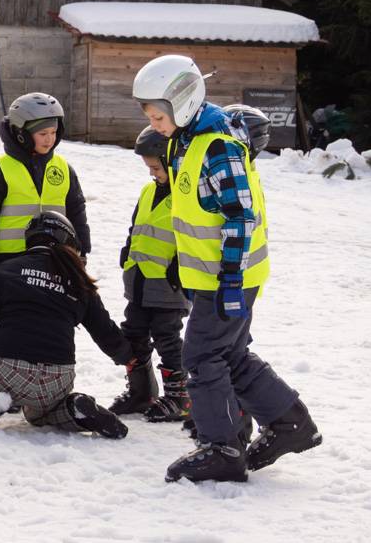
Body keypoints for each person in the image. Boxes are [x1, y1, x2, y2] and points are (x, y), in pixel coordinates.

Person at [132, 54, 322, 482]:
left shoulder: (216, 145)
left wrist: (231, 278)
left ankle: (223, 448)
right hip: (214, 276)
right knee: (229, 354)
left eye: (158, 115)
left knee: (200, 356)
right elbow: (200, 214)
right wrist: (185, 262)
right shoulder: (188, 140)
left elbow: (240, 215)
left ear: (181, 104)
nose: (155, 124)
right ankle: (290, 423)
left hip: (229, 278)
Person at [0, 211, 132, 440]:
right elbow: (104, 330)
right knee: (40, 415)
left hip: (3, 366)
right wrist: (128, 357)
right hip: (57, 377)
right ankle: (76, 409)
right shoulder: (78, 280)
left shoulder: (5, 271)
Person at [110, 126, 191, 422]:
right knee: (134, 335)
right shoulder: (147, 192)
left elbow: (195, 236)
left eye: (156, 167)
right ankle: (141, 392)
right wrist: (128, 248)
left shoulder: (187, 195)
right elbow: (138, 226)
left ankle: (179, 397)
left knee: (167, 337)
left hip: (169, 284)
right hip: (140, 281)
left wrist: (182, 265)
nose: (151, 173)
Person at [0, 92, 91, 273]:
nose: (50, 139)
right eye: (43, 133)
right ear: (21, 133)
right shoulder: (0, 170)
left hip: (57, 258)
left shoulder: (63, 168)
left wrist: (82, 249)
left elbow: (76, 210)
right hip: (12, 259)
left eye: (54, 132)